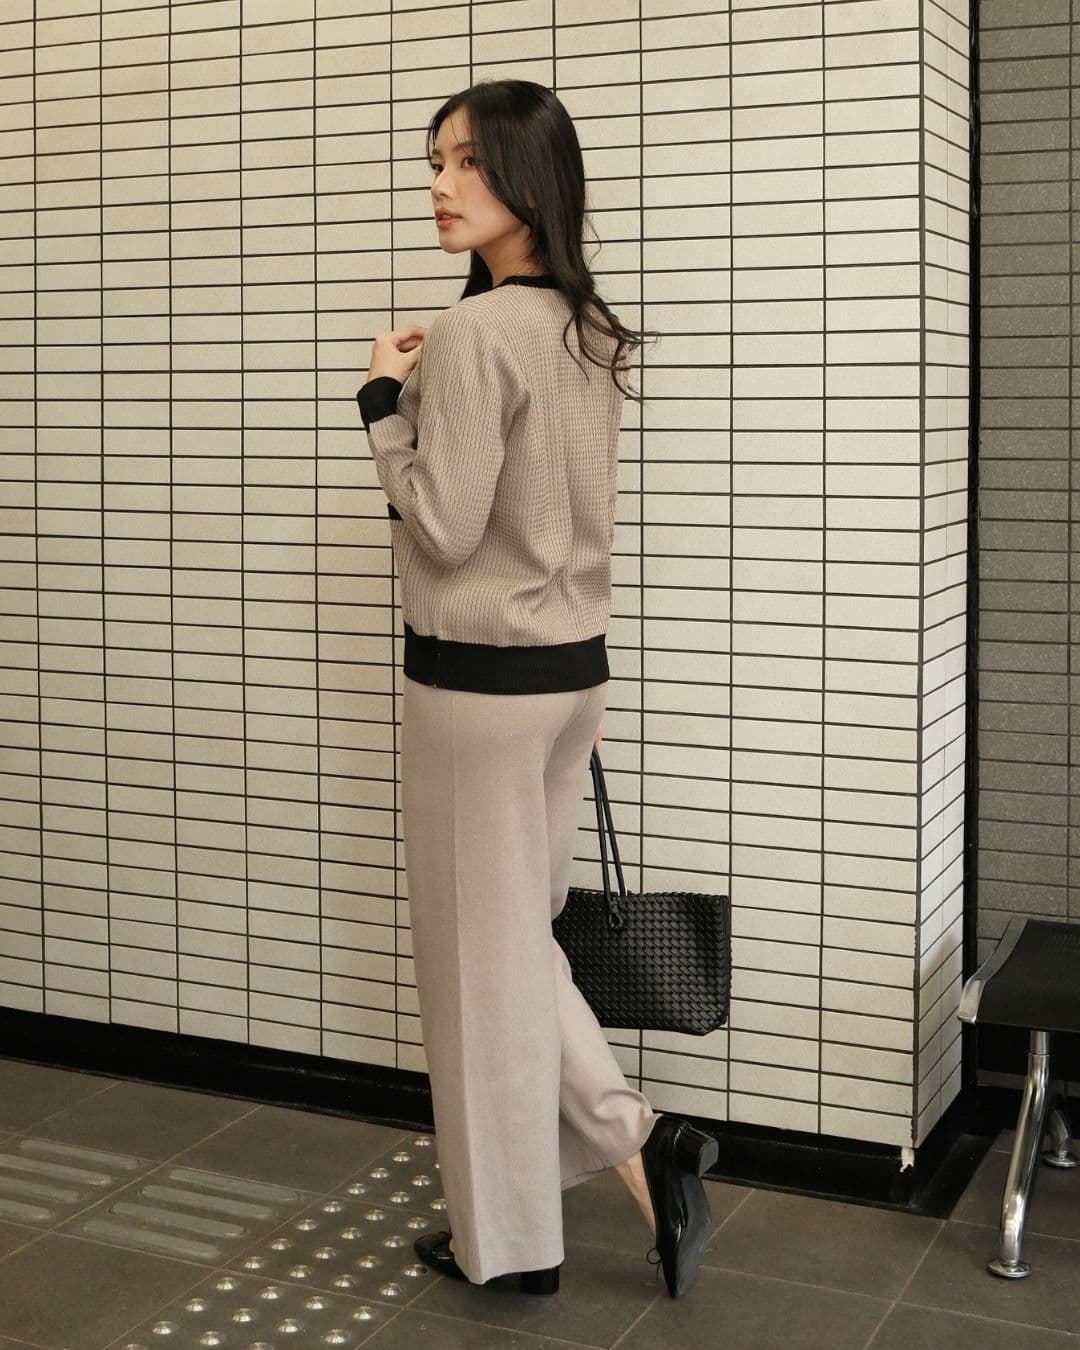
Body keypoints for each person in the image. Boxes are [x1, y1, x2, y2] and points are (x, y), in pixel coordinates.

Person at [355, 78, 717, 1300]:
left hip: (478, 690)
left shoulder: (474, 334)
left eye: (466, 161)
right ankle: (628, 1151)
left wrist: (379, 407)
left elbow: (445, 528)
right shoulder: (587, 327)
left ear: (528, 175)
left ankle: (515, 1238)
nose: (440, 185)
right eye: (434, 162)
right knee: (515, 946)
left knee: (478, 970)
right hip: (570, 683)